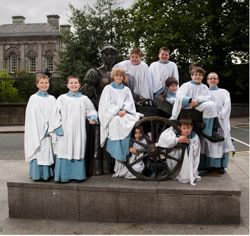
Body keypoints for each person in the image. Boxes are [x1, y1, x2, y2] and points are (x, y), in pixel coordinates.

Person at [54, 75, 98, 182]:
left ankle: (78, 175)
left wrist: (92, 117)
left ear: (80, 84)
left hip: (79, 130)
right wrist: (57, 128)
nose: (74, 85)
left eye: (76, 83)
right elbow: (55, 114)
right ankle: (64, 176)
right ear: (67, 85)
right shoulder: (62, 98)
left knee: (78, 149)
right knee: (64, 150)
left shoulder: (84, 99)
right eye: (71, 83)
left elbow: (91, 109)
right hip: (65, 131)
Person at [98, 67, 142, 174]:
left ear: (123, 77)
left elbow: (129, 102)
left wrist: (125, 110)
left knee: (127, 121)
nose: (118, 77)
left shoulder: (126, 89)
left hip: (125, 113)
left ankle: (126, 152)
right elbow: (106, 104)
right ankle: (119, 155)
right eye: (116, 75)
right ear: (113, 77)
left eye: (121, 75)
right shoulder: (108, 88)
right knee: (116, 122)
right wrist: (117, 111)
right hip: (112, 115)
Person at [170, 66, 224, 143]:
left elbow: (206, 97)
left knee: (212, 105)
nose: (197, 76)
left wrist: (197, 101)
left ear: (202, 77)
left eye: (200, 75)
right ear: (192, 76)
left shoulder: (204, 87)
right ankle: (209, 132)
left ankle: (208, 131)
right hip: (187, 107)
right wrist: (189, 100)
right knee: (209, 104)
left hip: (198, 105)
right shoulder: (186, 85)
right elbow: (179, 96)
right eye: (195, 74)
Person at [24, 73, 61, 181]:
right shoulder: (33, 98)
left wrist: (51, 127)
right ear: (37, 84)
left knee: (48, 152)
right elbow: (32, 116)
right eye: (42, 83)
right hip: (38, 131)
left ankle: (47, 174)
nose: (44, 85)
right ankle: (37, 174)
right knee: (39, 152)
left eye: (46, 83)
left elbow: (56, 113)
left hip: (49, 132)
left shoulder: (52, 98)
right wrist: (42, 127)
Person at [200, 72, 235, 173]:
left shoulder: (224, 92)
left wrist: (220, 115)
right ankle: (207, 165)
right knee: (207, 142)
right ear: (207, 81)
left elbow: (227, 105)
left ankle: (220, 166)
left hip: (221, 121)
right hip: (209, 122)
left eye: (215, 78)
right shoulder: (204, 92)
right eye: (210, 79)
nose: (212, 80)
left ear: (218, 80)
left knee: (220, 142)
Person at [156, 118, 201, 185]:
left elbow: (196, 152)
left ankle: (185, 171)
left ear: (192, 127)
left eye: (189, 128)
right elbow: (164, 140)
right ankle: (174, 171)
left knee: (186, 176)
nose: (186, 130)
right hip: (174, 156)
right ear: (179, 127)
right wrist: (177, 139)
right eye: (184, 128)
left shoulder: (194, 136)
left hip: (187, 159)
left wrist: (189, 144)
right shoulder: (172, 131)